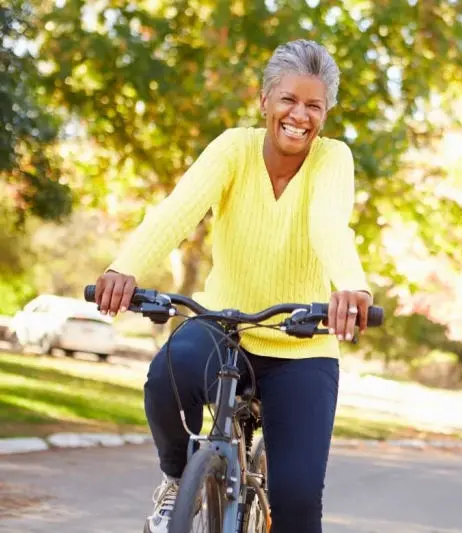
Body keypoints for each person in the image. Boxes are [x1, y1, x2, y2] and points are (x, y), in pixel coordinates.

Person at [92, 39, 372, 533]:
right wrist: (124, 267)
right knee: (165, 375)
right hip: (223, 328)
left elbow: (330, 226)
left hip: (302, 345)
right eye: (288, 99)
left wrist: (353, 287)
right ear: (264, 100)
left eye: (314, 105)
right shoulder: (233, 148)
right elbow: (178, 211)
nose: (299, 115)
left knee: (299, 505)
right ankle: (178, 479)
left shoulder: (333, 159)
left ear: (325, 113)